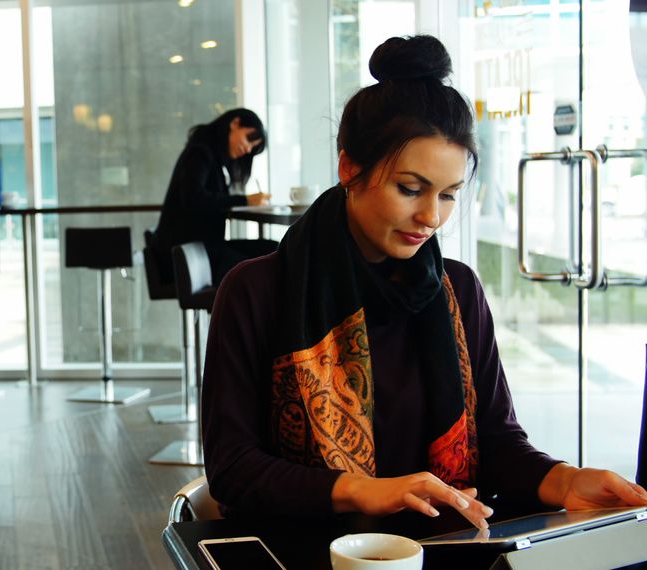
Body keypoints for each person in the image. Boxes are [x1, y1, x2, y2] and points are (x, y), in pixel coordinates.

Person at [202, 35, 647, 529]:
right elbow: (233, 470)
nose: (431, 216)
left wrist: (564, 480)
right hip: (306, 547)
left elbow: (496, 440)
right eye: (410, 189)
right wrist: (363, 493)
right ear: (349, 166)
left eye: (450, 194)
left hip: (439, 545)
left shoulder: (458, 290)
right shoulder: (258, 291)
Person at [152, 108, 276, 285]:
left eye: (252, 148)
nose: (248, 149)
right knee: (261, 265)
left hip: (203, 247)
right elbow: (193, 198)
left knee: (273, 250)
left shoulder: (215, 159)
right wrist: (245, 200)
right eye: (249, 139)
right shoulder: (200, 152)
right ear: (234, 124)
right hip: (187, 253)